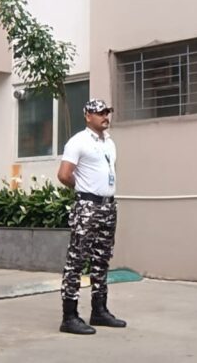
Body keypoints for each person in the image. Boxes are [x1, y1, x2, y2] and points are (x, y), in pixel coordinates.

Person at [56, 99, 126, 335]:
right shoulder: (78, 141)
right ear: (88, 116)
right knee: (77, 260)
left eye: (108, 112)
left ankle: (99, 310)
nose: (106, 116)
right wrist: (83, 188)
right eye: (100, 113)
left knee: (101, 258)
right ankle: (69, 316)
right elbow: (64, 174)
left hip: (108, 207)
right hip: (87, 206)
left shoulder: (109, 142)